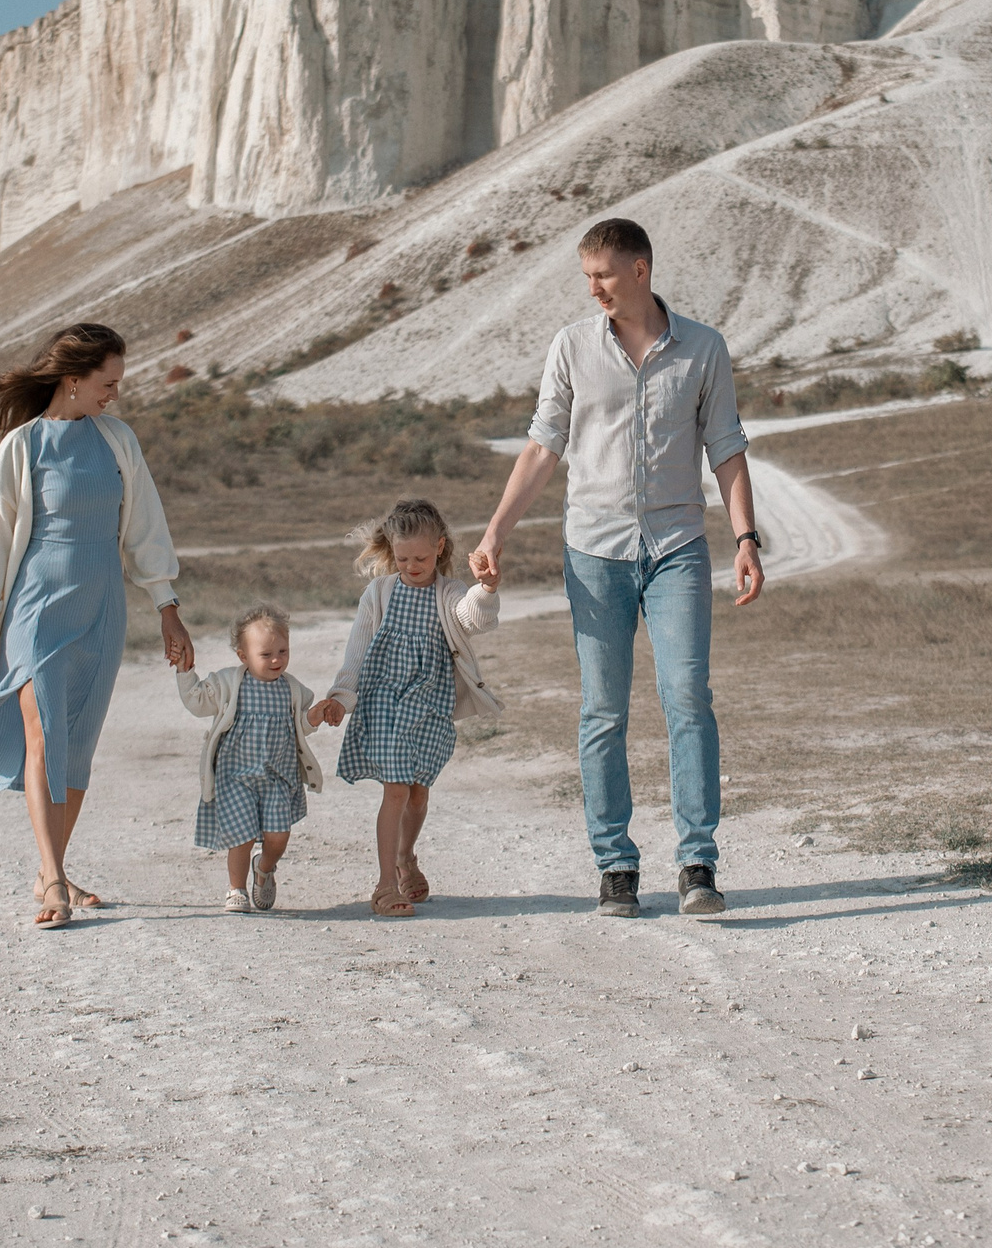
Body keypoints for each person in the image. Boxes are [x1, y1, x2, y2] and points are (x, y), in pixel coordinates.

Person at [468, 218, 762, 920]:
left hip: (677, 548)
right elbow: (544, 447)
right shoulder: (571, 346)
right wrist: (495, 531)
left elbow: (726, 447)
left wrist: (747, 537)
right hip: (594, 550)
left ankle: (698, 864)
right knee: (603, 710)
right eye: (586, 276)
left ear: (640, 271)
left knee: (688, 696)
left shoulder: (703, 349)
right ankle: (616, 866)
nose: (592, 287)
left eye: (602, 273)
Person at [0, 323, 193, 928]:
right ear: (74, 379)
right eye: (108, 382)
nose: (115, 394)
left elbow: (147, 527)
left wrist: (167, 608)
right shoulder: (23, 447)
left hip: (101, 608)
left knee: (78, 746)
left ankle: (52, 871)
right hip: (36, 609)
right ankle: (52, 884)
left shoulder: (117, 441)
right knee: (43, 734)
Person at [309, 499, 502, 918]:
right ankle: (383, 885)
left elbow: (474, 620)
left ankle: (406, 857)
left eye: (420, 557)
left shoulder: (448, 593)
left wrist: (485, 589)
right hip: (383, 703)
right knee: (396, 789)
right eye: (401, 558)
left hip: (430, 706)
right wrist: (341, 697)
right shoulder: (379, 592)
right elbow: (357, 651)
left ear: (439, 548)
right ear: (390, 552)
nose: (411, 566)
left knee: (417, 794)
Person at [176, 603, 321, 914]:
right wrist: (185, 671)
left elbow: (301, 727)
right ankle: (236, 889)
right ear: (243, 656)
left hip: (277, 778)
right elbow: (197, 701)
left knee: (279, 836)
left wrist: (317, 715)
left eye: (283, 651)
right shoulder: (229, 683)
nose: (276, 660)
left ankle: (265, 868)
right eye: (266, 654)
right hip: (235, 777)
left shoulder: (293, 690)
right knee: (240, 837)